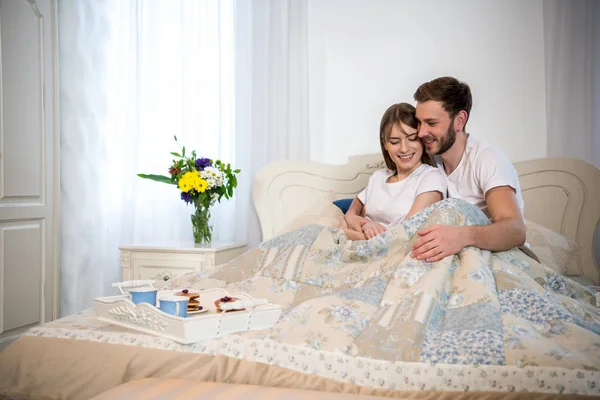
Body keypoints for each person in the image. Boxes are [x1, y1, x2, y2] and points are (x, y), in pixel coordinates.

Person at [410, 76, 526, 262]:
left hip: (494, 256)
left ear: (459, 120)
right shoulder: (426, 159)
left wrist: (461, 236)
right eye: (419, 122)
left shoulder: (487, 158)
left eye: (431, 123)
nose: (422, 132)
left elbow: (515, 230)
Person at [340, 103, 448, 241]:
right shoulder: (378, 177)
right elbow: (350, 216)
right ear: (385, 144)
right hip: (364, 246)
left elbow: (404, 236)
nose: (404, 149)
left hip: (390, 251)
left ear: (422, 139)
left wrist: (349, 233)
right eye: (395, 141)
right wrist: (366, 225)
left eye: (412, 139)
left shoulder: (431, 177)